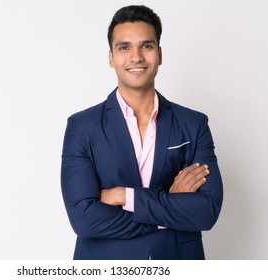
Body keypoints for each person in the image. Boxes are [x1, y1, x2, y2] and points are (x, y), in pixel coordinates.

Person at [60, 5, 223, 260]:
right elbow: (84, 219)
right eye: (124, 47)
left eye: (146, 46)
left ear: (159, 54)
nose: (136, 57)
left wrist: (126, 196)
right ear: (111, 58)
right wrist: (170, 203)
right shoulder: (82, 127)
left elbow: (207, 211)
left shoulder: (194, 124)